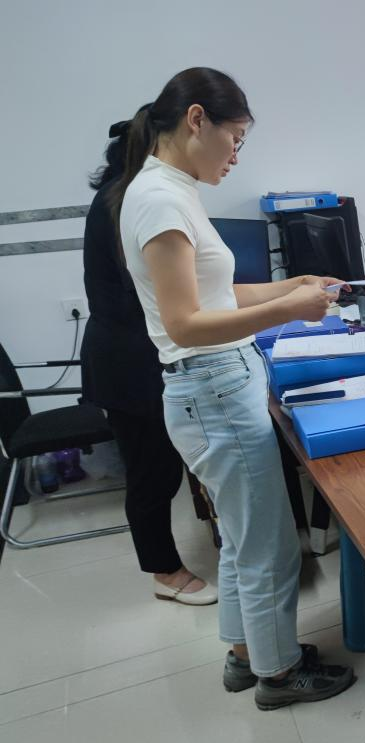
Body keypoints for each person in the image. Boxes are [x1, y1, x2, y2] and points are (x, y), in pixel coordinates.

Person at [109, 67, 355, 709]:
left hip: (216, 385)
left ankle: (247, 653)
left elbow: (216, 294)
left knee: (247, 536)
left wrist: (290, 285)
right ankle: (278, 673)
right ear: (197, 119)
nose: (237, 155)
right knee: (268, 542)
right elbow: (185, 324)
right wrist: (289, 311)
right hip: (213, 385)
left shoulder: (172, 189)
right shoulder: (159, 199)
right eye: (236, 138)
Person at [81, 110, 216, 605]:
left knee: (158, 467)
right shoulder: (127, 201)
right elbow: (155, 293)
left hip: (134, 354)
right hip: (128, 364)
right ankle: (164, 572)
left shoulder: (126, 194)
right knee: (151, 473)